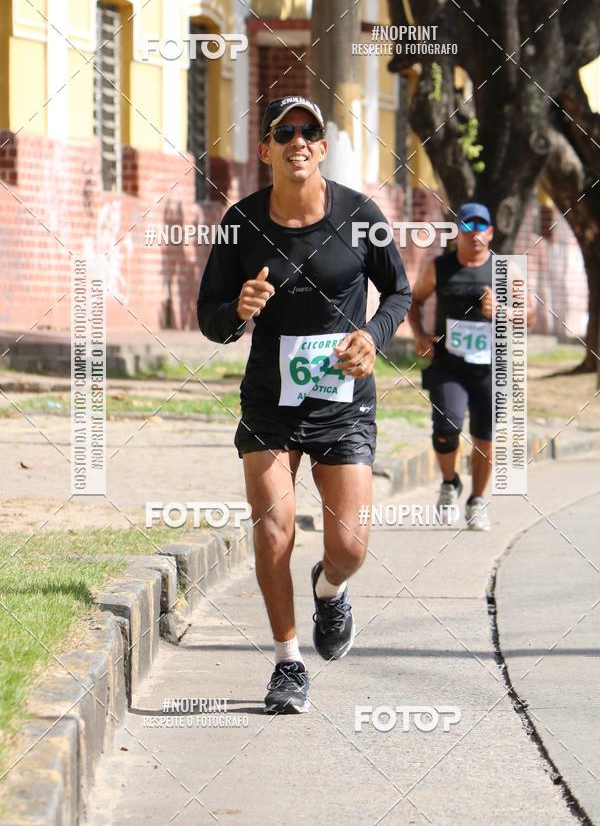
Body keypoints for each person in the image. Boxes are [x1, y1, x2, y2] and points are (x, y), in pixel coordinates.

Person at [197, 95, 411, 713]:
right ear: (265, 148)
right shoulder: (240, 223)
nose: (297, 141)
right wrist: (236, 311)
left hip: (343, 401)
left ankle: (329, 588)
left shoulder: (360, 215)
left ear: (321, 147)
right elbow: (209, 318)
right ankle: (287, 663)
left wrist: (372, 335)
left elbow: (397, 291)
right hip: (270, 401)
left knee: (350, 547)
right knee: (274, 530)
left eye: (309, 132)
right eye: (283, 132)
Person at [408, 202, 532, 531]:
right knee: (446, 428)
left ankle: (477, 501)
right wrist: (420, 335)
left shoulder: (505, 271)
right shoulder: (440, 267)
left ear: (490, 233)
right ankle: (450, 483)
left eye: (481, 227)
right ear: (457, 232)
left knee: (485, 436)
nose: (474, 233)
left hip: (490, 369)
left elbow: (529, 314)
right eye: (468, 226)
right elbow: (415, 299)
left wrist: (502, 313)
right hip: (449, 365)